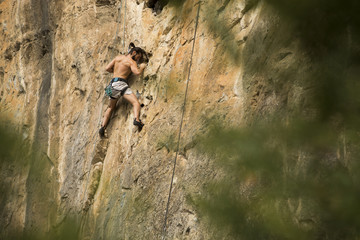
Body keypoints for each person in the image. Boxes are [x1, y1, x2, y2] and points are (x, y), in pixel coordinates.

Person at [99, 46, 147, 137]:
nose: (138, 59)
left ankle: (103, 126)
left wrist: (118, 72)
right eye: (138, 57)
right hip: (120, 84)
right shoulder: (130, 62)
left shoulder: (118, 58)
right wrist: (142, 67)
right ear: (133, 53)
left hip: (111, 85)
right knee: (135, 103)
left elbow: (107, 68)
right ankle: (136, 119)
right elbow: (137, 73)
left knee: (111, 107)